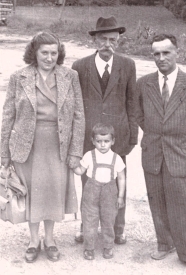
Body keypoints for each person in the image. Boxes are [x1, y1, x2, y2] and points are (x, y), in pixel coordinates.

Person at [1, 32, 85, 263]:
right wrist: (4, 154)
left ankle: (50, 239)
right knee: (31, 194)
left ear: (59, 54)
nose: (49, 58)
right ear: (34, 53)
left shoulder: (70, 76)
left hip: (58, 144)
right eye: (44, 53)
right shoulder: (19, 77)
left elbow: (79, 116)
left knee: (52, 193)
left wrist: (75, 152)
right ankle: (32, 240)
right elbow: (8, 115)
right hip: (28, 145)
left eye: (53, 53)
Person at [135, 33, 186, 272]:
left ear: (177, 53)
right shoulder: (144, 84)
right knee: (158, 202)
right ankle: (165, 243)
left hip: (181, 155)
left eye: (166, 52)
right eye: (156, 54)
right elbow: (139, 115)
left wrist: (180, 140)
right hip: (153, 154)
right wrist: (156, 134)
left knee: (184, 205)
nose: (161, 58)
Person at [72, 16, 138, 245]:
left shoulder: (128, 65)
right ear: (94, 41)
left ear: (119, 41)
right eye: (103, 39)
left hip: (116, 138)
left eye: (113, 40)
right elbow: (75, 105)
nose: (108, 44)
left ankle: (117, 230)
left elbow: (132, 102)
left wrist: (132, 136)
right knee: (88, 186)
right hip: (89, 138)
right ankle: (85, 227)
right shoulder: (80, 66)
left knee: (117, 184)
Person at [73, 123, 126, 260]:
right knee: (89, 220)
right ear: (93, 141)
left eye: (106, 141)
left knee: (108, 220)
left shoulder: (116, 158)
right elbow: (80, 171)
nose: (102, 145)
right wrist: (72, 165)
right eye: (99, 141)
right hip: (91, 192)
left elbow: (121, 178)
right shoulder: (89, 156)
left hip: (110, 193)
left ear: (112, 141)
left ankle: (108, 247)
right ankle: (89, 248)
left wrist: (120, 196)